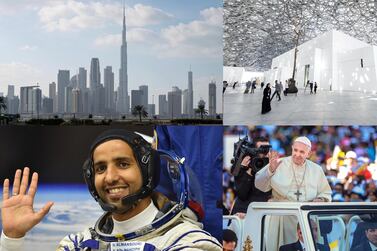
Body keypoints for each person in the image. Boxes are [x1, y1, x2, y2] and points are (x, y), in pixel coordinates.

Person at [1, 130, 222, 251]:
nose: (110, 177)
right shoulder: (76, 244)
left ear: (148, 172)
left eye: (123, 164)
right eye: (100, 168)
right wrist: (12, 238)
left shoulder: (188, 242)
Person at [255, 136, 332, 251]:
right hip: (281, 216)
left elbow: (326, 193)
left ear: (309, 153)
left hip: (306, 218)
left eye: (302, 152)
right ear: (292, 148)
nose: (297, 154)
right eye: (295, 150)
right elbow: (259, 184)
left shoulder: (316, 170)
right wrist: (270, 170)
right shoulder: (278, 163)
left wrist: (321, 199)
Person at [231, 137, 271, 217]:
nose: (265, 153)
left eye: (267, 150)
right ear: (254, 151)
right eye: (261, 150)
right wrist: (249, 171)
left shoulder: (271, 167)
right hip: (243, 214)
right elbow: (242, 194)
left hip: (262, 213)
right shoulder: (243, 166)